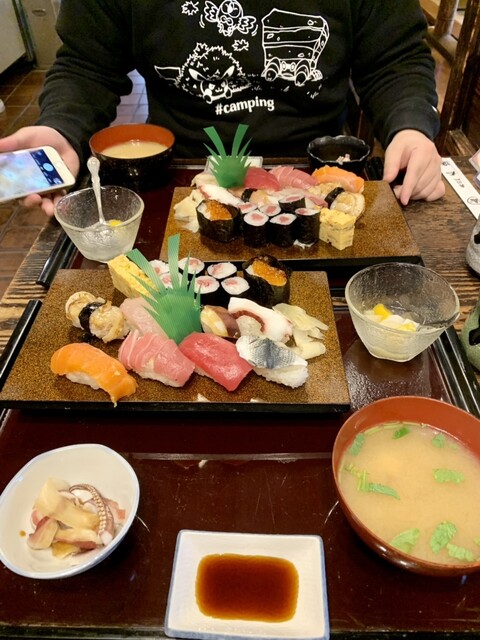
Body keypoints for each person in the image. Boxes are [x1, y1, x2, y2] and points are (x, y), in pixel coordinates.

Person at [0, 0, 445, 215]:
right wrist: (61, 127)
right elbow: (87, 65)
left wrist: (411, 126)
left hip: (318, 168)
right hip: (177, 174)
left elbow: (395, 60)